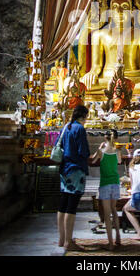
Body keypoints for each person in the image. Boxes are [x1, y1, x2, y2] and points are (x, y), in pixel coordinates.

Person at [56, 104, 90, 251]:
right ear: (84, 116)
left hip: (65, 168)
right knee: (72, 205)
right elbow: (84, 151)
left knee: (63, 203)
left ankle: (62, 239)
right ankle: (69, 242)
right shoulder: (79, 129)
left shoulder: (66, 127)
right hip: (76, 169)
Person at [92, 129, 122, 250]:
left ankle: (110, 243)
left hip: (105, 184)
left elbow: (93, 160)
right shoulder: (118, 151)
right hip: (115, 183)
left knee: (106, 214)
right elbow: (119, 161)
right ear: (115, 138)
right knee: (114, 210)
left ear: (105, 138)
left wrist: (99, 149)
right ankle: (118, 237)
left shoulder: (101, 151)